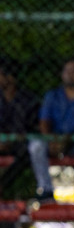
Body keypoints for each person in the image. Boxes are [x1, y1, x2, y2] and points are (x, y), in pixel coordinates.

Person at [28, 57, 74, 202]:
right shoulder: (53, 95)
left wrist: (69, 140)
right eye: (67, 71)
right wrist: (51, 140)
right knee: (36, 145)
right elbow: (44, 121)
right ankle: (46, 189)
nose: (70, 75)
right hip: (53, 141)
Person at [0, 59, 38, 200]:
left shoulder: (28, 100)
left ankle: (3, 185)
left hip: (21, 146)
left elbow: (32, 128)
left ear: (10, 78)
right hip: (2, 143)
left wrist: (12, 140)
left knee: (29, 151)